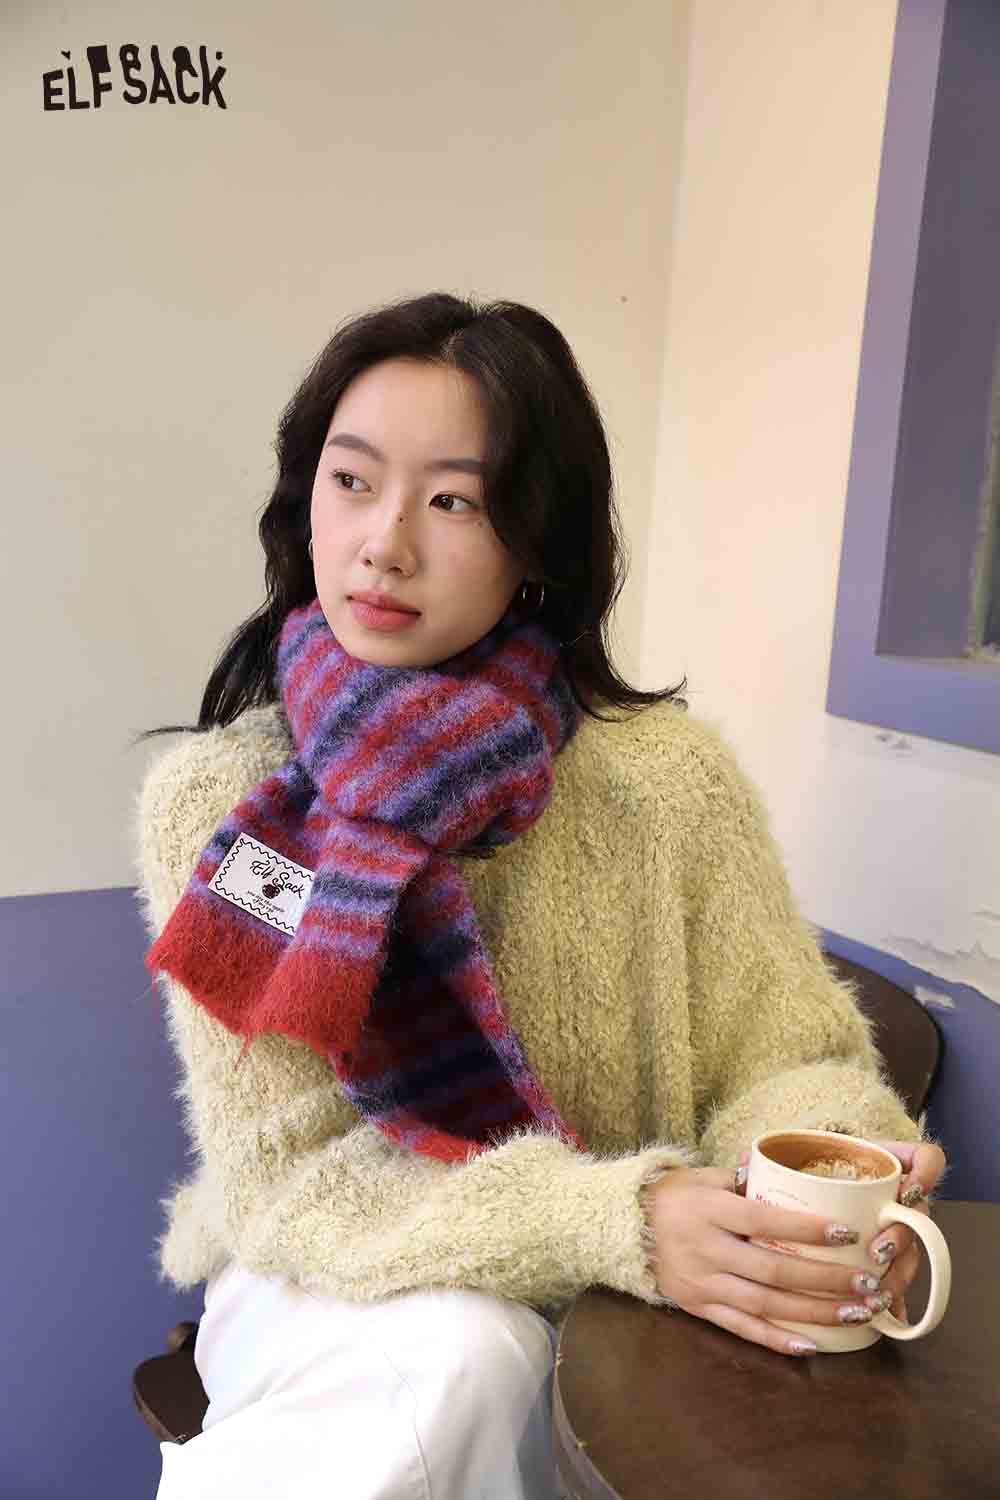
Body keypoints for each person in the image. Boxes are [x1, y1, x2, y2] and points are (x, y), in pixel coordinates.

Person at [137, 290, 947, 1499]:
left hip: (644, 1281)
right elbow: (289, 1178)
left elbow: (784, 1050)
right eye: (351, 481)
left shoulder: (664, 782)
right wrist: (618, 1223)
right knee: (475, 1356)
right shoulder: (227, 808)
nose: (384, 542)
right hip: (341, 1283)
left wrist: (824, 1171)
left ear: (535, 545)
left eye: (451, 500)